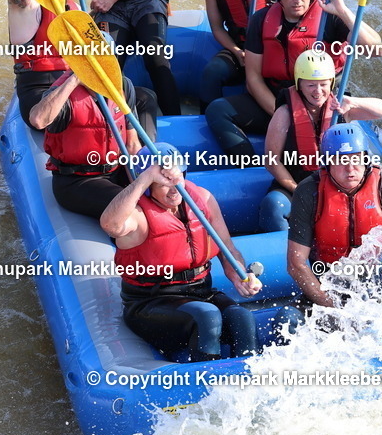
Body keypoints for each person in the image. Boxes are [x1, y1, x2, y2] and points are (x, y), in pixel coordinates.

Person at [205, 0, 382, 159]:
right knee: (217, 110)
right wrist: (283, 117)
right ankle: (248, 165)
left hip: (319, 102)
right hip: (278, 100)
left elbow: (375, 49)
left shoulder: (329, 17)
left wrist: (343, 12)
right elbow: (253, 78)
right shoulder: (261, 19)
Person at [100, 145, 263, 361]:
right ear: (149, 186)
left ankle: (250, 380)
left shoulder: (203, 200)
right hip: (151, 303)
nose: (174, 189)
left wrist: (240, 276)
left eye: (177, 179)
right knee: (207, 316)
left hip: (201, 293)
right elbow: (110, 225)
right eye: (163, 184)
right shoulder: (138, 216)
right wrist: (146, 176)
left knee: (242, 317)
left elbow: (227, 249)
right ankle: (208, 385)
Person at [6, 0, 159, 134]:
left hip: (78, 83)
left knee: (145, 97)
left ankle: (143, 155)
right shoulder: (27, 11)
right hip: (40, 92)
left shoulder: (76, 9)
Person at [260, 49, 382, 232]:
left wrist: (353, 102)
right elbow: (271, 161)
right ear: (299, 84)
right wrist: (297, 189)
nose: (318, 91)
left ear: (331, 83)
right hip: (297, 182)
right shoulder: (284, 114)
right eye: (311, 85)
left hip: (337, 184)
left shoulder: (342, 107)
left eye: (323, 84)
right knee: (274, 204)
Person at [286, 123, 382, 310]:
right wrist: (332, 306)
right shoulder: (309, 192)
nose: (350, 169)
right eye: (342, 161)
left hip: (374, 283)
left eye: (356, 159)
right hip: (328, 283)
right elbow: (295, 264)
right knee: (286, 320)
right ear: (328, 163)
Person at [29, 69, 144, 219]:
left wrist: (143, 185)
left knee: (161, 193)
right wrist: (75, 79)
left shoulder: (122, 85)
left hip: (117, 169)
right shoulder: (63, 94)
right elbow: (38, 120)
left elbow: (133, 144)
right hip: (76, 180)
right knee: (130, 208)